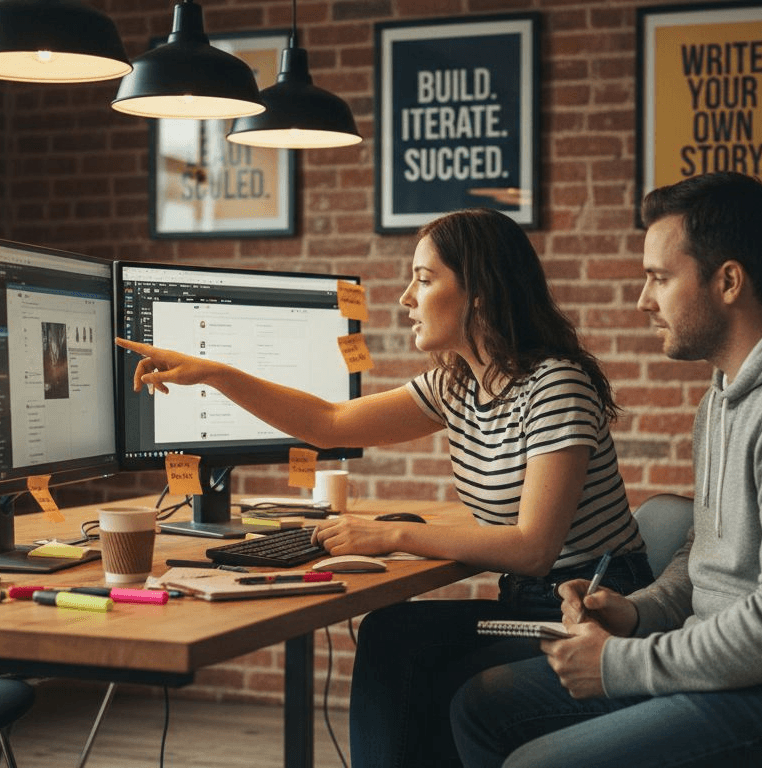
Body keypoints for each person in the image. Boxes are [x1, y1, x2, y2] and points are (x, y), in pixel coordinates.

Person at [115, 207, 653, 767]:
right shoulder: (457, 385)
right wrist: (214, 373)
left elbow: (533, 547)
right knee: (391, 634)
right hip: (528, 599)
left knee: (438, 681)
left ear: (478, 294)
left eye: (424, 279)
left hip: (596, 604)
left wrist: (389, 537)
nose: (405, 298)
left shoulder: (555, 385)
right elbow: (329, 423)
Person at [450, 172, 762, 768]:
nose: (643, 300)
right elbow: (706, 558)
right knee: (481, 704)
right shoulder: (725, 395)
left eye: (659, 278)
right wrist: (635, 611)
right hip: (729, 674)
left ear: (728, 280)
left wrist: (618, 664)